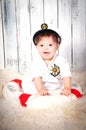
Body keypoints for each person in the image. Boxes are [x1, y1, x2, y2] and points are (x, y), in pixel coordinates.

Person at [22, 23, 72, 96]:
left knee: (67, 88)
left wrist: (67, 87)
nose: (46, 48)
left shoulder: (61, 61)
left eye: (50, 45)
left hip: (57, 86)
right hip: (39, 85)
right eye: (41, 45)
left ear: (57, 46)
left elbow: (66, 75)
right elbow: (37, 78)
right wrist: (40, 89)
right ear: (37, 47)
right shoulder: (36, 62)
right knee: (28, 85)